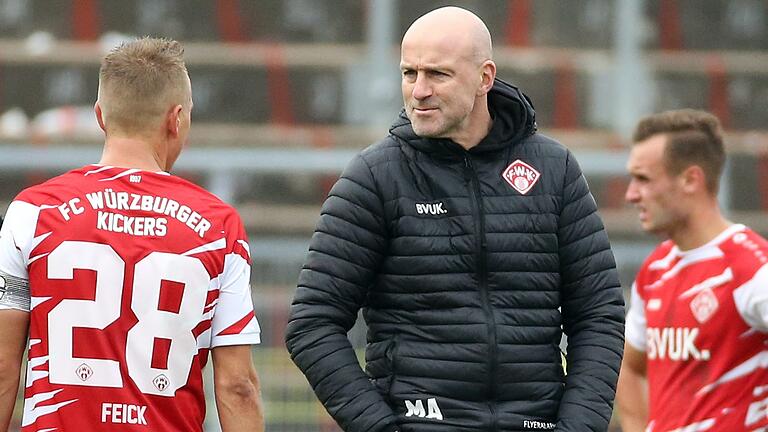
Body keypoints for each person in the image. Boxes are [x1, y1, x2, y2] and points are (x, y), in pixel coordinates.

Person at [285, 6, 625, 432]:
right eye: (409, 74)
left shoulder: (554, 169)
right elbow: (312, 324)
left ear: (485, 77)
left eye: (437, 75)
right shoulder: (374, 176)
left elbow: (598, 313)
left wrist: (578, 427)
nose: (419, 91)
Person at [0, 37, 264, 431]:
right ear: (176, 119)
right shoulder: (218, 226)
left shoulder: (33, 212)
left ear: (100, 116)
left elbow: (3, 367)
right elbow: (237, 386)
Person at [616, 109, 768, 431]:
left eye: (643, 179)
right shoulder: (656, 270)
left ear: (690, 179)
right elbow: (629, 366)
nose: (631, 194)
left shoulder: (752, 268)